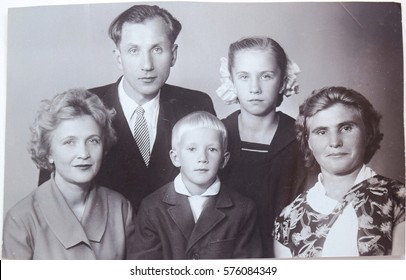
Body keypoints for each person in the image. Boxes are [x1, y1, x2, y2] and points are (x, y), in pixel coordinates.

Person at [38, 5, 216, 212]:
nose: (147, 65)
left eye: (157, 49)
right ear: (118, 57)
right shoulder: (81, 106)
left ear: (173, 54)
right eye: (134, 50)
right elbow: (48, 197)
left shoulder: (195, 104)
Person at [2, 88, 136, 260]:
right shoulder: (21, 219)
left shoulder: (121, 208)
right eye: (69, 142)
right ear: (48, 152)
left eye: (93, 141)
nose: (84, 153)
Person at [273, 86, 405, 258]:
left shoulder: (398, 198)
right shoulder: (289, 218)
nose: (334, 142)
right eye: (321, 132)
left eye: (346, 128)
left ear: (368, 133)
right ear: (309, 142)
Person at [216, 36, 308, 257]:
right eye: (244, 76)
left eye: (266, 76)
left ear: (283, 80)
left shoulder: (300, 138)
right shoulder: (216, 136)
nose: (254, 88)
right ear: (231, 81)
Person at [130, 111, 262, 259]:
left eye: (212, 149)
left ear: (224, 160)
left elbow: (248, 270)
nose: (202, 158)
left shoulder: (243, 209)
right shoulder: (152, 207)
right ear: (175, 157)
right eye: (192, 149)